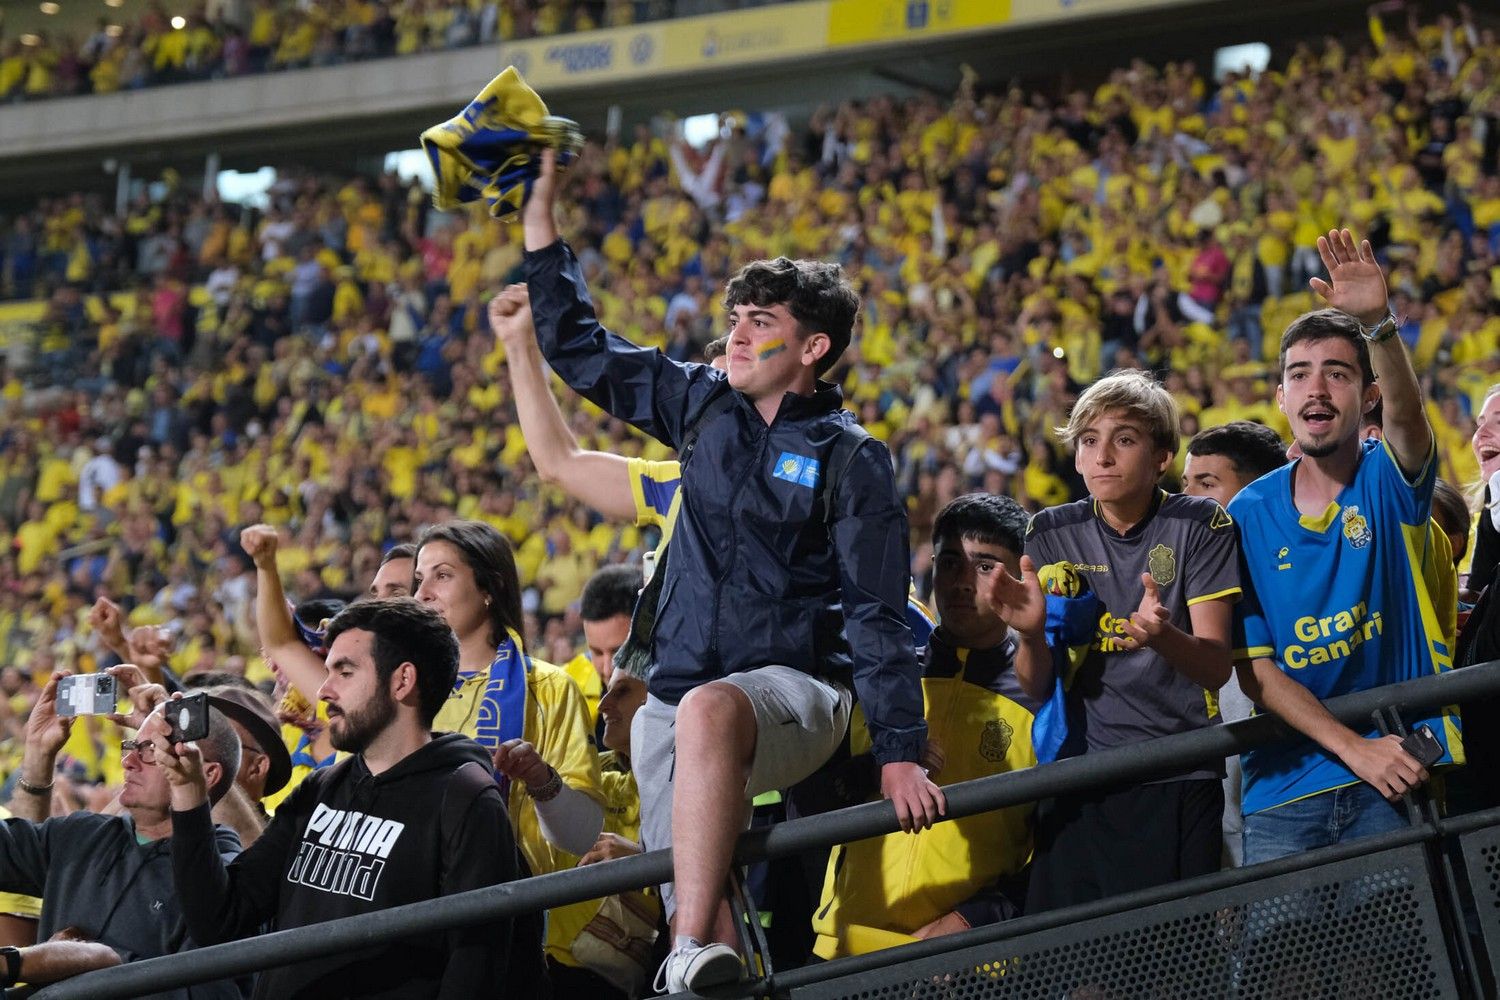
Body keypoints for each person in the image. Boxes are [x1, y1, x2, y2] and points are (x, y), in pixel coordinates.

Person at [510, 149, 941, 994]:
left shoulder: (852, 458)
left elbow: (877, 614)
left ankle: (683, 944)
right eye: (735, 316)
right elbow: (579, 347)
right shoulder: (701, 405)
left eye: (760, 320)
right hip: (682, 700)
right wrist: (539, 218)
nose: (737, 332)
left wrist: (899, 750)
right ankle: (703, 960)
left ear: (814, 346)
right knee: (670, 727)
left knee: (704, 714)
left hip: (800, 695)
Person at [160, 598, 529, 999]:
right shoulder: (320, 789)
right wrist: (189, 793)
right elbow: (220, 920)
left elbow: (476, 971)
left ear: (402, 681)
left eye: (345, 671)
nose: (324, 689)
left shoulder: (467, 799)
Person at [1229, 229, 1461, 864]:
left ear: (1369, 395)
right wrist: (1352, 748)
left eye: (1337, 373)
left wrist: (1379, 327)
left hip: (1398, 768)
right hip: (1285, 784)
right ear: (1281, 398)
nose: (1317, 389)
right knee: (1285, 964)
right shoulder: (1245, 514)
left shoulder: (1388, 476)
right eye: (1299, 375)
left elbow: (1412, 427)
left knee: (1403, 961)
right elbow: (1256, 669)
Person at [985, 369, 1240, 911]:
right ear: (1076, 456)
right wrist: (1030, 636)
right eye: (1089, 441)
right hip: (1081, 776)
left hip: (1178, 770)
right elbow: (1037, 686)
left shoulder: (1202, 523)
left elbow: (1216, 668)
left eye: (1124, 439)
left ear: (1162, 457)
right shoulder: (1049, 532)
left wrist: (1162, 636)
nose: (1102, 457)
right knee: (1077, 975)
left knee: (1171, 966)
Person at [812, 493, 1041, 958]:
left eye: (984, 566)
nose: (960, 582)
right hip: (849, 949)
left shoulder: (1041, 696)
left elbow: (1060, 842)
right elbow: (808, 803)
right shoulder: (878, 683)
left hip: (972, 958)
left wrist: (976, 920)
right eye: (951, 562)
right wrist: (874, 771)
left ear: (1019, 573)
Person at [0, 670, 245, 999]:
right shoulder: (81, 833)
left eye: (148, 750)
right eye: (132, 746)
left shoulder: (221, 881)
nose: (128, 761)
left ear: (206, 772)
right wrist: (38, 753)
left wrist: (100, 965)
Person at [1182, 421, 1288, 866]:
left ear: (1258, 489)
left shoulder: (1291, 579)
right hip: (1226, 838)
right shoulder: (1184, 592)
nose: (1188, 500)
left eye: (1207, 484)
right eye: (1184, 485)